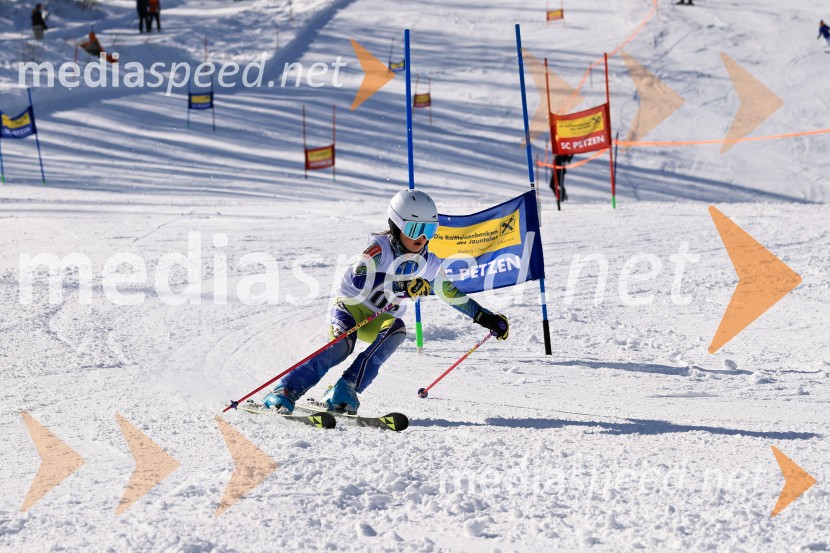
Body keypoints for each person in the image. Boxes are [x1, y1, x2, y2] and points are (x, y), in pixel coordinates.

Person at [261, 189, 510, 414]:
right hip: (350, 308)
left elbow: (451, 294)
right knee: (342, 345)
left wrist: (485, 317)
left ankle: (345, 388)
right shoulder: (378, 249)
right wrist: (401, 285)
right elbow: (360, 279)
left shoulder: (429, 262)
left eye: (430, 230)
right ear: (395, 226)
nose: (422, 238)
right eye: (414, 229)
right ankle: (285, 390)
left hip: (378, 318)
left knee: (397, 329)